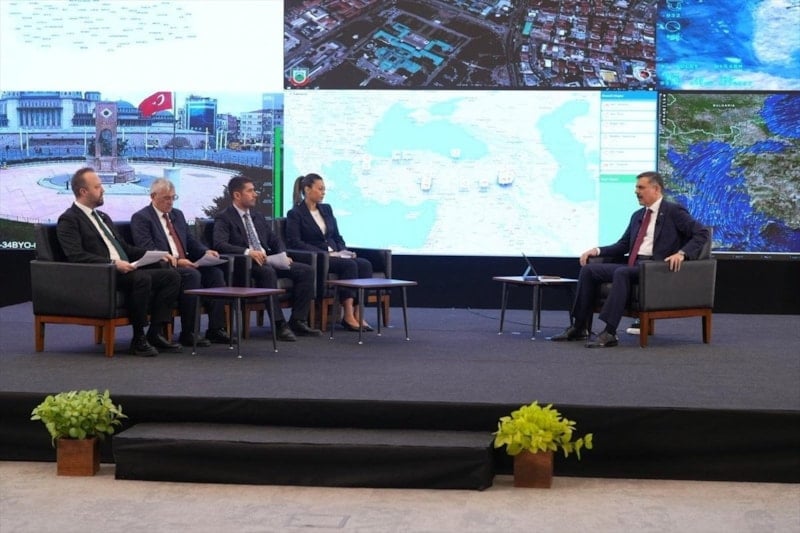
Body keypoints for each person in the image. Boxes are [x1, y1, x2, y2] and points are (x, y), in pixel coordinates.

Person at [551, 171, 709, 348]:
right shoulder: (638, 215)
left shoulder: (673, 211)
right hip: (635, 264)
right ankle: (579, 327)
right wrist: (597, 250)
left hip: (655, 267)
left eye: (641, 187)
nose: (636, 191)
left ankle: (610, 332)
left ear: (656, 189)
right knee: (589, 270)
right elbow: (623, 245)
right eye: (636, 188)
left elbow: (702, 233)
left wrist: (682, 253)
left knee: (622, 272)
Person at [56, 167, 182, 357]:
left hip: (125, 270)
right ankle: (138, 339)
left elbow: (126, 249)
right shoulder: (69, 219)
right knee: (142, 279)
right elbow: (76, 256)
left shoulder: (103, 217)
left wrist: (156, 254)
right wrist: (113, 264)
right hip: (102, 274)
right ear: (83, 191)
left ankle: (155, 333)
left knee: (171, 276)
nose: (103, 190)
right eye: (98, 187)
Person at [212, 175, 321, 341]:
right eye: (250, 191)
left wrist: (282, 254)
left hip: (268, 259)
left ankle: (298, 320)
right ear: (237, 195)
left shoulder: (257, 216)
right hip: (247, 265)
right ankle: (279, 324)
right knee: (267, 272)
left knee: (306, 271)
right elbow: (220, 244)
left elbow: (274, 239)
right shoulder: (225, 217)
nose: (255, 194)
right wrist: (248, 252)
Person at [130, 178, 231, 347]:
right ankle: (189, 332)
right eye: (166, 198)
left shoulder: (177, 215)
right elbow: (146, 248)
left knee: (216, 274)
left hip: (186, 263)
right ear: (153, 196)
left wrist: (205, 252)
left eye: (173, 197)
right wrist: (177, 261)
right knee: (192, 275)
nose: (170, 202)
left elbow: (190, 241)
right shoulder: (141, 218)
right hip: (164, 266)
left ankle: (215, 328)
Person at [285, 173, 374, 332]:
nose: (323, 192)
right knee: (349, 266)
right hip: (319, 258)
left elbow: (336, 236)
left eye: (324, 189)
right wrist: (325, 253)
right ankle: (347, 315)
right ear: (307, 189)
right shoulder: (295, 213)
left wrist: (343, 250)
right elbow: (295, 243)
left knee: (364, 264)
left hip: (336, 254)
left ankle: (359, 313)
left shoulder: (326, 209)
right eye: (320, 189)